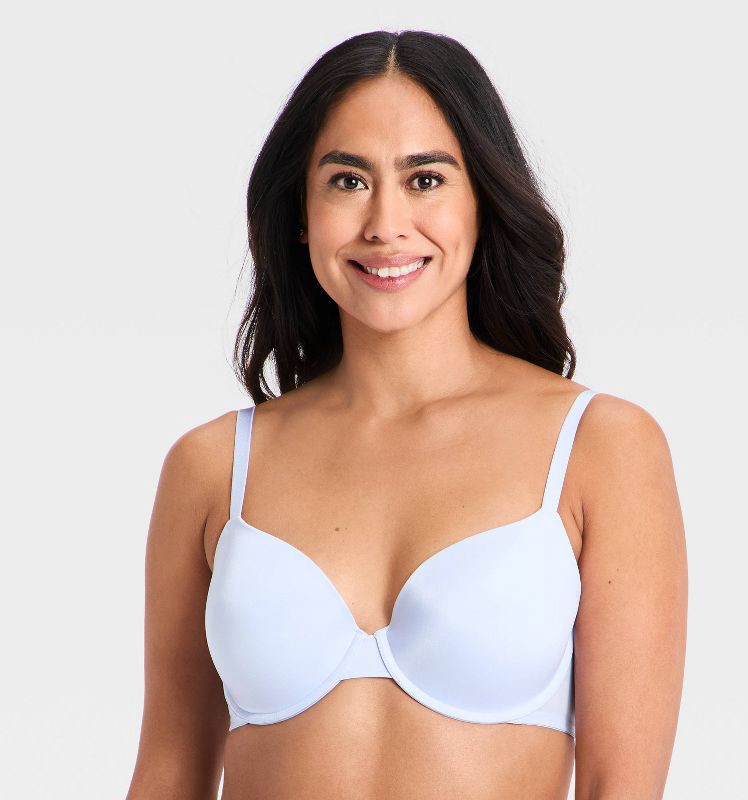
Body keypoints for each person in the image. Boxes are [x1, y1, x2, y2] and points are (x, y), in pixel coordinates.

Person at [126, 29, 687, 800]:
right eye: (347, 181)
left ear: (481, 201)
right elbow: (166, 775)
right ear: (301, 212)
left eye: (425, 180)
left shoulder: (601, 448)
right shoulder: (212, 466)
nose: (384, 224)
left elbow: (619, 787)